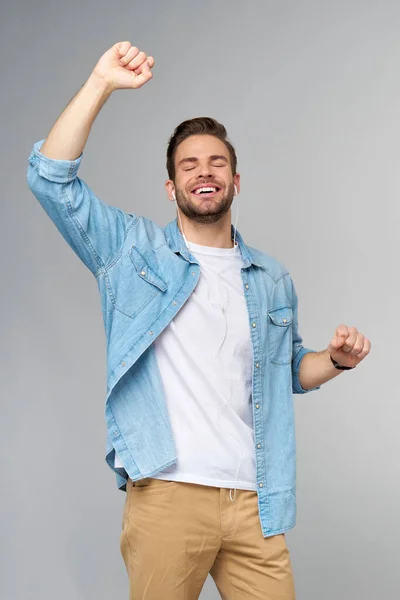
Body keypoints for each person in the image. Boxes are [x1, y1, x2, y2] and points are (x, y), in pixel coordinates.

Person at [27, 41, 371, 600]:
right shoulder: (131, 252)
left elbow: (287, 374)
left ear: (236, 181)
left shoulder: (270, 278)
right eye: (189, 165)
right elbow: (50, 181)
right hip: (169, 492)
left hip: (254, 499)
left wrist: (336, 360)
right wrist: (100, 83)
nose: (203, 172)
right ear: (172, 186)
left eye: (217, 162)